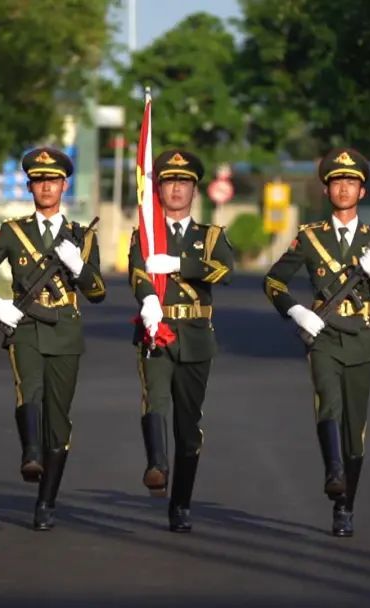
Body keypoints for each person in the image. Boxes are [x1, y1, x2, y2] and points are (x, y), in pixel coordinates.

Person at [0, 147, 106, 531]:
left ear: (64, 185)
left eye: (53, 180)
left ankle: (46, 501)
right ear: (29, 186)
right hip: (25, 325)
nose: (46, 186)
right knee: (29, 389)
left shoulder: (81, 236)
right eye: (39, 180)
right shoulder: (13, 232)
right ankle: (30, 454)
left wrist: (78, 265)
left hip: (66, 330)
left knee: (58, 419)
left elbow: (97, 292)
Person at [262, 147, 370, 537]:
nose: (343, 188)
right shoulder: (310, 238)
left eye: (351, 182)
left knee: (355, 432)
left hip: (363, 339)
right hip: (323, 335)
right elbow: (273, 282)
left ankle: (345, 506)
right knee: (327, 402)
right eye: (337, 181)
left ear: (362, 191)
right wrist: (295, 311)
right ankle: (333, 473)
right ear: (326, 190)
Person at [128, 149, 235, 532]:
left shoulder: (210, 236)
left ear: (195, 190)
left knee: (189, 426)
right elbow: (137, 273)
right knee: (154, 399)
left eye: (184, 182)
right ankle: (157, 465)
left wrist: (179, 264)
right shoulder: (145, 234)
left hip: (195, 336)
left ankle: (181, 502)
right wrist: (148, 300)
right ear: (158, 189)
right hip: (156, 328)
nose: (176, 188)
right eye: (169, 181)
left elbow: (224, 271)